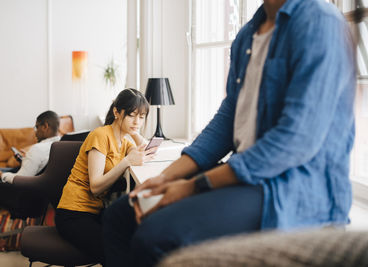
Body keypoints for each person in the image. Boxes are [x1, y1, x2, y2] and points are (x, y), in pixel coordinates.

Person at [101, 0, 356, 266]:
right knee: (120, 216)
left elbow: (295, 141)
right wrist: (166, 177)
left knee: (155, 236)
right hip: (246, 176)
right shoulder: (248, 34)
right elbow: (228, 118)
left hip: (293, 189)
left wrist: (191, 186)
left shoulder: (320, 23)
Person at [54, 88, 156, 264]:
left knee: (134, 240)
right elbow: (95, 187)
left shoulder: (123, 142)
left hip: (95, 212)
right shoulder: (100, 135)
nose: (137, 121)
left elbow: (147, 150)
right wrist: (126, 162)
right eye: (132, 115)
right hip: (73, 213)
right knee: (117, 255)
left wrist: (134, 130)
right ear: (116, 112)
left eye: (141, 117)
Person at [0, 110, 61, 194]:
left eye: (37, 127)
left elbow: (20, 180)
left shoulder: (38, 149)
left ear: (45, 126)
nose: (35, 133)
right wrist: (25, 160)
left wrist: (1, 175)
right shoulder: (60, 145)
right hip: (34, 182)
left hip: (17, 189)